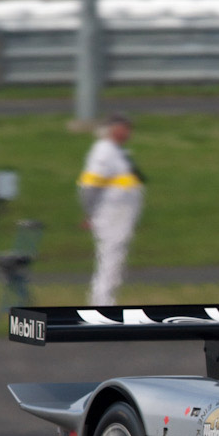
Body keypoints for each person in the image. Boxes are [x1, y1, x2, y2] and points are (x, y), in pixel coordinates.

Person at [78, 113, 145, 306]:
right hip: (111, 215)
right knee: (110, 260)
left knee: (114, 261)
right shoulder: (104, 152)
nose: (129, 133)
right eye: (126, 128)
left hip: (119, 217)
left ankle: (106, 302)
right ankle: (102, 304)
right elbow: (90, 186)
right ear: (114, 130)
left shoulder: (115, 152)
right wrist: (90, 213)